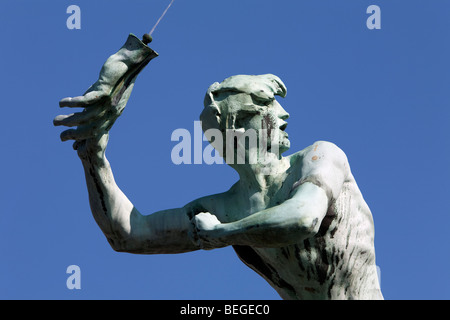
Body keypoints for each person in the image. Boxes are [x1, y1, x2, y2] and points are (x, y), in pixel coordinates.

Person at [54, 34, 383, 300]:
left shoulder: (320, 157)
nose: (284, 115)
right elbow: (129, 234)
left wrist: (223, 234)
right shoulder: (224, 208)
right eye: (269, 105)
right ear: (238, 124)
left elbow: (303, 217)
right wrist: (94, 157)